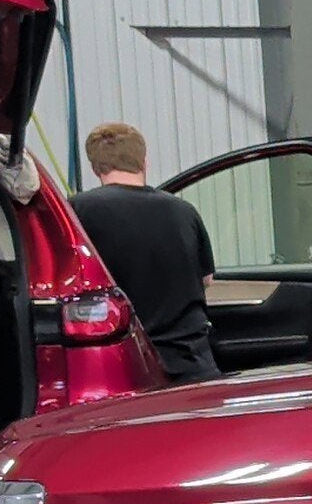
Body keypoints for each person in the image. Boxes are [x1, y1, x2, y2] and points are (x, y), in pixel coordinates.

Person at [68, 121, 220, 381]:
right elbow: (206, 280)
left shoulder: (77, 211)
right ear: (144, 162)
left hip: (126, 368)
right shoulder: (184, 211)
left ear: (95, 168)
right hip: (193, 366)